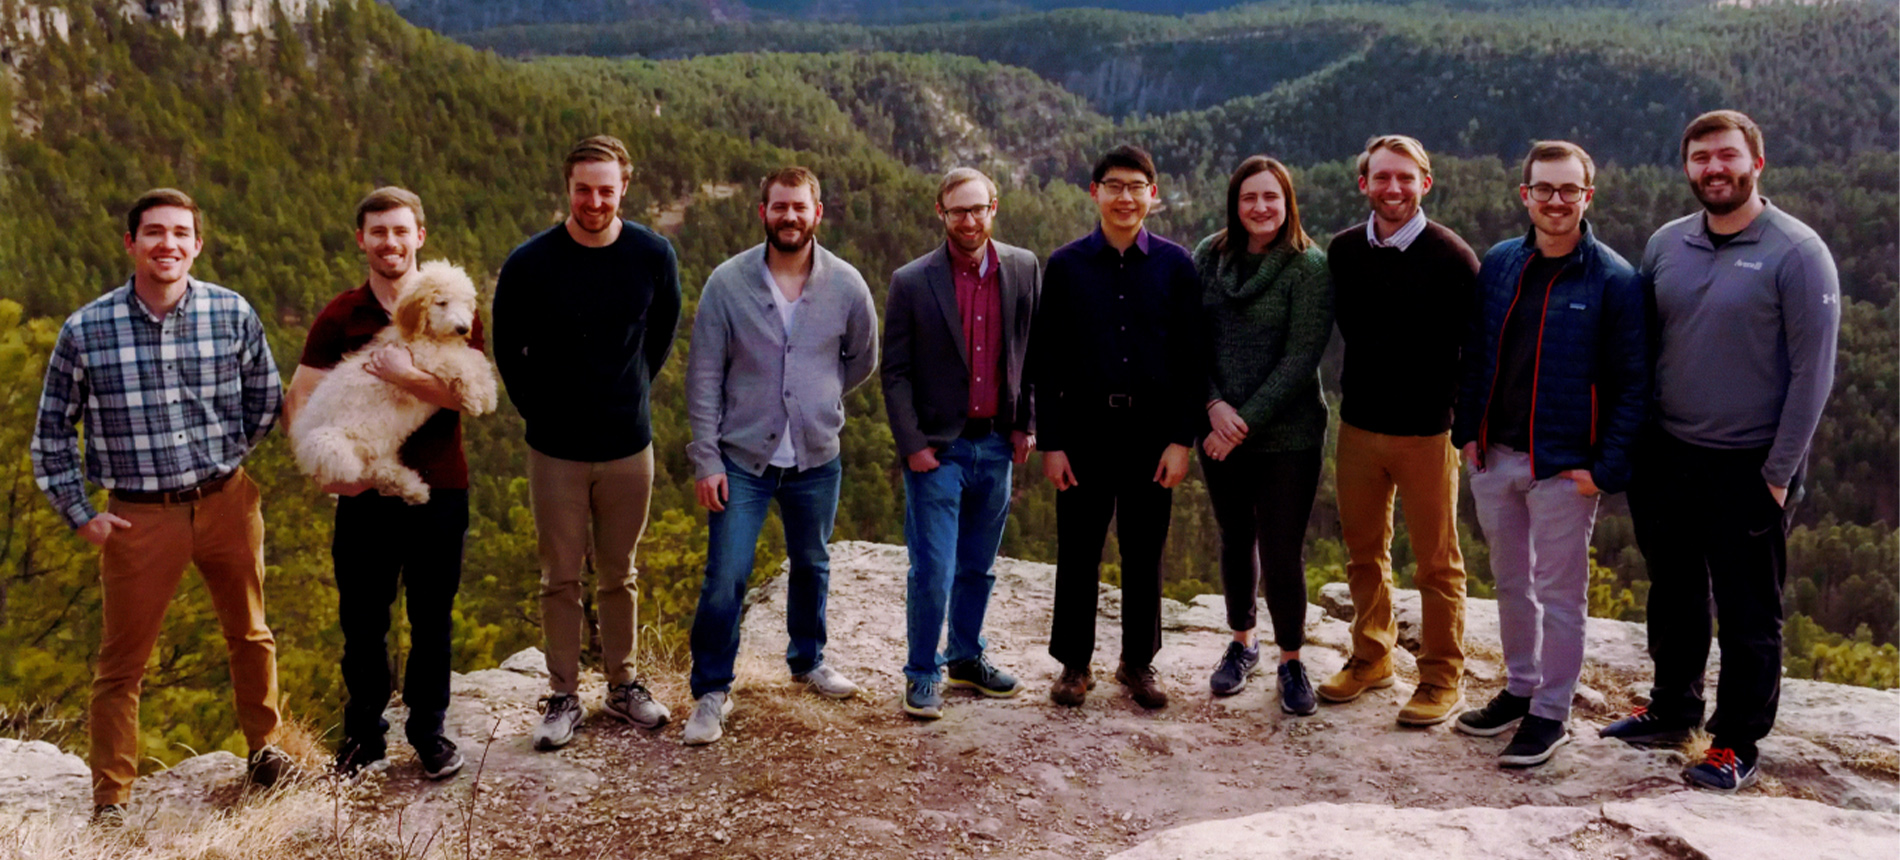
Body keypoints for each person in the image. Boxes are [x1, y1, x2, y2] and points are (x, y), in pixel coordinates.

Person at [31, 188, 290, 826]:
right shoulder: (86, 330)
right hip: (138, 516)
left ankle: (266, 751)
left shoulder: (231, 313)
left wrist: (229, 455)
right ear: (131, 244)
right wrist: (79, 513)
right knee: (122, 663)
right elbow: (51, 434)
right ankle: (112, 800)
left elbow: (266, 397)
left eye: (180, 233)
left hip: (228, 500)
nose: (167, 244)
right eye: (153, 233)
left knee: (251, 633)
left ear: (197, 244)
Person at [1601, 110, 1839, 793]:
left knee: (1747, 611)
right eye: (1701, 159)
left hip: (1749, 464)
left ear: (1756, 164)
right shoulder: (1667, 244)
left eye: (1727, 156)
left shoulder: (1797, 253)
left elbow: (1812, 375)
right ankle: (1673, 710)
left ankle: (1735, 742)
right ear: (1687, 168)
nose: (1715, 169)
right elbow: (1641, 349)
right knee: (1673, 595)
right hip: (1667, 453)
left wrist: (1776, 476)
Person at [1450, 142, 1647, 767]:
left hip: (1564, 467)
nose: (1556, 201)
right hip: (1497, 456)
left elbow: (1634, 383)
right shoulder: (1503, 263)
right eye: (1544, 189)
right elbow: (1477, 354)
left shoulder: (1614, 280)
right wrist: (1467, 432)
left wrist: (1605, 470)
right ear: (1525, 196)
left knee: (1560, 596)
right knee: (1511, 583)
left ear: (1588, 196)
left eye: (1569, 190)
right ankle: (1519, 687)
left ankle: (1551, 714)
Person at [284, 187, 484, 779]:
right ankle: (362, 740)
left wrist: (408, 375)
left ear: (419, 235)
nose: (390, 242)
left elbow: (469, 397)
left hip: (440, 488)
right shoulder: (342, 315)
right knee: (364, 622)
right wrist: (325, 475)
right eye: (378, 233)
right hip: (365, 493)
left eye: (401, 231)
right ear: (362, 241)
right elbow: (300, 395)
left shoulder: (457, 304)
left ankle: (429, 733)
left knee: (431, 618)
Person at [492, 135, 682, 750]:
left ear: (624, 186)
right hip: (555, 450)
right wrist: (539, 413)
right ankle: (564, 694)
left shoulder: (653, 255)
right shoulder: (531, 262)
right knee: (560, 576)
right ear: (566, 188)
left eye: (605, 189)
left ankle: (624, 686)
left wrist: (626, 393)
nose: (594, 201)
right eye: (583, 189)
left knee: (620, 572)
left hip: (629, 444)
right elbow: (507, 349)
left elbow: (659, 336)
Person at [683, 166, 879, 745]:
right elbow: (702, 377)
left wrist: (817, 398)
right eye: (779, 207)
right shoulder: (728, 283)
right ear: (762, 212)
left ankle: (808, 659)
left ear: (817, 213)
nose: (789, 216)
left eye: (800, 207)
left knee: (812, 562)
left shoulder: (845, 284)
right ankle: (712, 690)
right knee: (726, 575)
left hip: (816, 456)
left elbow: (861, 357)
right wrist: (707, 458)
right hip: (742, 458)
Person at [1031, 144, 1201, 710]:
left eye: (1136, 187)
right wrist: (1051, 443)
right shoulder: (1066, 265)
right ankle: (1074, 666)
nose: (1125, 197)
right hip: (1083, 429)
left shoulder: (1177, 266)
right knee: (1079, 547)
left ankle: (1138, 664)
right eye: (1113, 186)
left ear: (1153, 194)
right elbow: (1046, 362)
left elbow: (1191, 361)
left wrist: (1183, 439)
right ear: (1095, 193)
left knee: (1144, 549)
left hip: (1153, 432)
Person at [1319, 135, 1480, 727]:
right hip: (1359, 426)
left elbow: (1478, 349)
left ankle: (1441, 677)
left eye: (1405, 178)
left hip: (1428, 433)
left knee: (1437, 563)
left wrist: (1466, 424)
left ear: (1425, 184)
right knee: (1364, 553)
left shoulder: (1452, 257)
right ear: (1363, 184)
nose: (1393, 189)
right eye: (1382, 178)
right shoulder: (1343, 252)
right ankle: (1372, 657)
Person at [883, 168, 1041, 720]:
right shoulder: (912, 280)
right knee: (933, 567)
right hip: (938, 449)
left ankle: (966, 658)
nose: (968, 220)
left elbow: (1031, 354)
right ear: (940, 213)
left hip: (997, 443)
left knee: (978, 564)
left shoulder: (1022, 268)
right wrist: (912, 445)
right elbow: (895, 372)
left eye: (978, 209)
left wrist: (1027, 425)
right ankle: (922, 672)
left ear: (993, 207)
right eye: (958, 211)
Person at [1193, 156, 1332, 716]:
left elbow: (1301, 359)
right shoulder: (1210, 255)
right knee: (1233, 536)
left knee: (1280, 549)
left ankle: (1291, 659)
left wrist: (1239, 422)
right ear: (1236, 203)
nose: (1260, 208)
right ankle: (1242, 642)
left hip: (1288, 436)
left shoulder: (1308, 266)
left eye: (1271, 197)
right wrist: (1212, 405)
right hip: (1218, 425)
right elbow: (1189, 338)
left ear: (1287, 201)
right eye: (1250, 198)